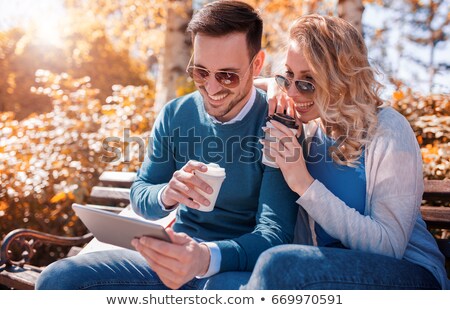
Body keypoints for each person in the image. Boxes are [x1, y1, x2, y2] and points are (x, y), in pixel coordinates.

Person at [35, 0, 299, 290]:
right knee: (58, 279)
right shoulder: (176, 114)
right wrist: (167, 194)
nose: (212, 89)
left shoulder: (278, 125)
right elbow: (141, 192)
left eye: (227, 75)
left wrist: (203, 258)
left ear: (257, 64)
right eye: (200, 72)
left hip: (233, 268)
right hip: (169, 256)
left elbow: (274, 235)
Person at [245, 14, 449, 289]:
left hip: (411, 276)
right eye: (288, 77)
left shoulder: (387, 129)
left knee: (278, 265)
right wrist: (272, 86)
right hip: (332, 273)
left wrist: (302, 183)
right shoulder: (311, 131)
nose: (292, 93)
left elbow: (388, 246)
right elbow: (244, 82)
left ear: (340, 80)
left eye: (307, 82)